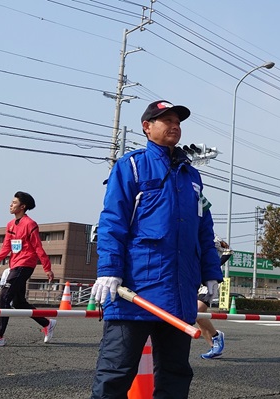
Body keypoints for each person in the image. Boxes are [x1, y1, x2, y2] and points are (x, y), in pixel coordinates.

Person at [90, 100, 223, 398]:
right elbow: (113, 220)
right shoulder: (132, 165)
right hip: (134, 295)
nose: (174, 125)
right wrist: (110, 270)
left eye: (177, 120)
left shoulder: (192, 176)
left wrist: (211, 272)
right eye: (166, 120)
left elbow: (204, 228)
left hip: (178, 294)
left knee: (175, 375)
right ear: (147, 127)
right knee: (115, 373)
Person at [0, 191, 56, 347]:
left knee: (4, 296)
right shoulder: (10, 225)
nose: (11, 204)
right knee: (19, 303)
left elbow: (38, 247)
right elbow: (6, 247)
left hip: (25, 264)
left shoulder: (30, 224)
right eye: (11, 202)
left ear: (23, 206)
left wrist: (47, 268)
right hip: (14, 265)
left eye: (14, 203)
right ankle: (47, 323)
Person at [197, 234, 233, 359]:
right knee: (199, 317)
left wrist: (215, 265)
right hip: (194, 279)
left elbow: (228, 250)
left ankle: (216, 335)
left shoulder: (212, 238)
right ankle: (213, 347)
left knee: (197, 312)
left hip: (209, 280)